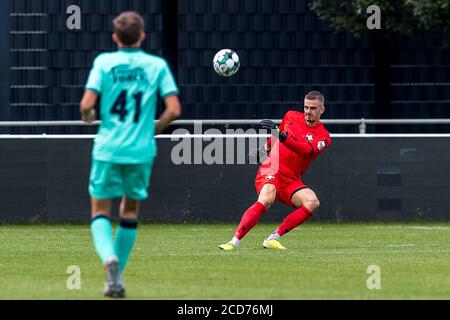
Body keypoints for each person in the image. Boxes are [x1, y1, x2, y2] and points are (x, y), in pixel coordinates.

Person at [80, 11, 181, 298]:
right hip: (140, 150)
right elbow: (174, 109)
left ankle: (108, 260)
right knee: (130, 211)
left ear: (115, 38)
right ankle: (117, 274)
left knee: (100, 211)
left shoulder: (104, 62)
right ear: (142, 37)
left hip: (108, 148)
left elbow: (86, 105)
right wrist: (154, 130)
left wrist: (88, 116)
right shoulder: (156, 65)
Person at [219, 91, 331, 251]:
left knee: (312, 202)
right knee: (267, 198)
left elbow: (305, 150)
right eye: (306, 107)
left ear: (322, 110)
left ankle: (272, 238)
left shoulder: (324, 137)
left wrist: (281, 135)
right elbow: (276, 137)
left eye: (313, 108)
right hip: (272, 167)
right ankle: (233, 242)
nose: (308, 111)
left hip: (291, 179)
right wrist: (263, 149)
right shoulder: (291, 116)